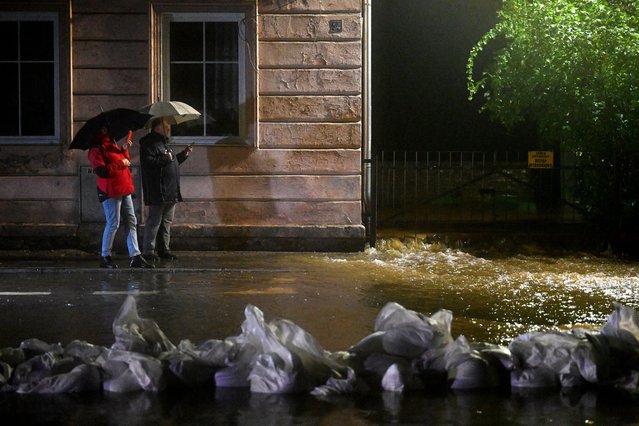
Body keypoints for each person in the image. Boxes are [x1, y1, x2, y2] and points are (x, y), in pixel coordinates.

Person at [88, 128, 153, 269]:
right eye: (106, 129)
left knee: (131, 221)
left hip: (124, 189)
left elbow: (125, 162)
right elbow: (102, 171)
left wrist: (124, 150)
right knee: (113, 223)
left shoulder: (113, 145)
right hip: (110, 191)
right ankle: (105, 256)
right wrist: (121, 162)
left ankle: (135, 256)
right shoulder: (96, 150)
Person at [139, 117, 192, 262]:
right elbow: (149, 163)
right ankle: (148, 251)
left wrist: (183, 155)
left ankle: (164, 249)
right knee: (154, 221)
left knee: (166, 221)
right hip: (159, 189)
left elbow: (172, 162)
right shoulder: (148, 144)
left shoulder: (164, 143)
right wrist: (166, 159)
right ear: (157, 128)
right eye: (165, 126)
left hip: (170, 190)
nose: (168, 128)